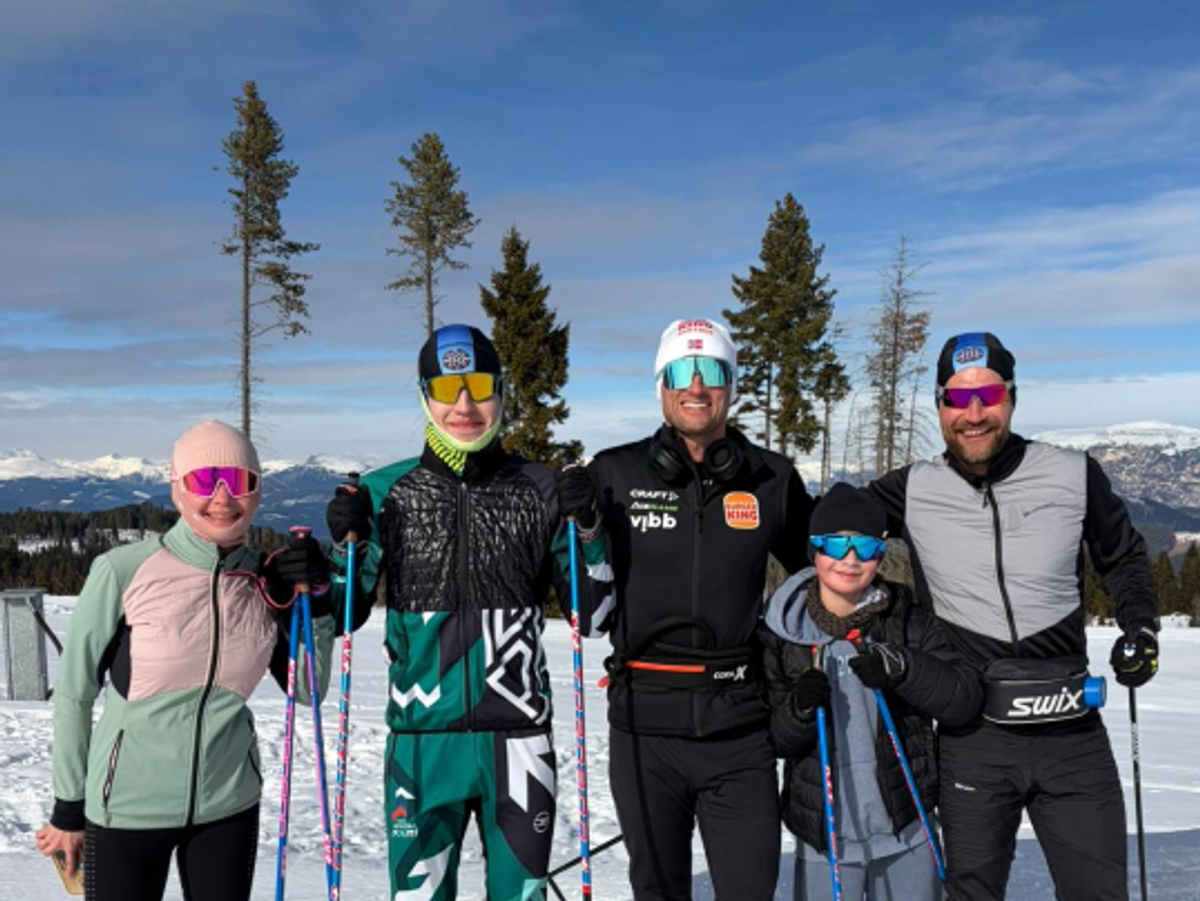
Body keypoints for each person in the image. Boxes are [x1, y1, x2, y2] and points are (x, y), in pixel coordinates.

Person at [322, 324, 613, 901]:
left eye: (478, 385)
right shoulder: (385, 492)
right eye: (446, 388)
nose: (464, 405)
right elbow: (344, 611)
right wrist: (342, 547)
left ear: (501, 391)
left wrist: (590, 530)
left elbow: (595, 613)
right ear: (425, 397)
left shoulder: (542, 488)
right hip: (422, 744)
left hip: (519, 744)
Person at [868, 332, 1160, 901]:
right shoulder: (912, 489)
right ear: (939, 406)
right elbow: (830, 528)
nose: (973, 413)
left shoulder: (1074, 474)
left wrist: (1141, 627)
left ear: (1012, 398)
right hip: (974, 734)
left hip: (1072, 733)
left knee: (1099, 892)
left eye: (989, 395)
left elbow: (1122, 556)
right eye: (957, 399)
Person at [34, 419, 334, 901]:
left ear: (256, 492)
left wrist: (316, 604)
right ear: (177, 490)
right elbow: (74, 693)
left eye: (239, 481)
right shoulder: (122, 571)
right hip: (125, 807)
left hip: (229, 805)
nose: (222, 497)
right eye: (203, 481)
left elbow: (308, 688)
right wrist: (69, 809)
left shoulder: (264, 580)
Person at [580, 317, 816, 901]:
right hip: (644, 729)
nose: (696, 386)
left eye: (711, 371)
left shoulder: (772, 478)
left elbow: (825, 575)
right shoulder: (613, 475)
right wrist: (582, 530)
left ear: (730, 386)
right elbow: (588, 614)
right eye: (681, 372)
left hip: (740, 728)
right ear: (660, 385)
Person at [759, 483, 982, 901]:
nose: (849, 559)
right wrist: (799, 710)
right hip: (824, 838)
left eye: (863, 546)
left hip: (906, 830)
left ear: (879, 554)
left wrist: (904, 668)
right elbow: (773, 739)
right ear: (814, 551)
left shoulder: (907, 621)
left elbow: (962, 699)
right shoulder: (783, 633)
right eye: (835, 544)